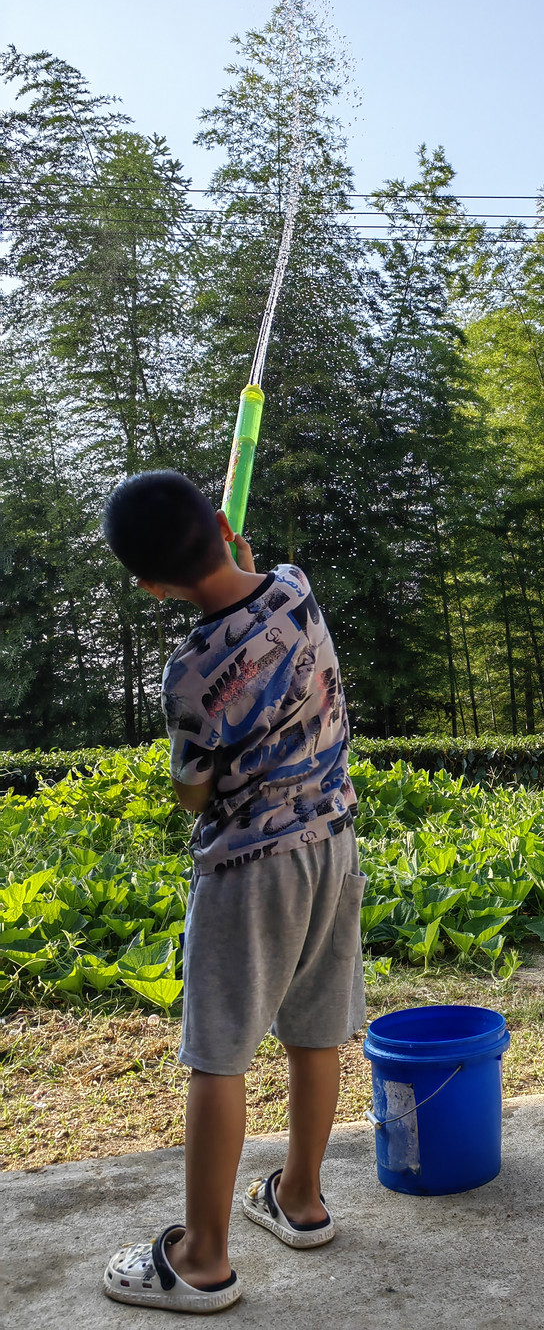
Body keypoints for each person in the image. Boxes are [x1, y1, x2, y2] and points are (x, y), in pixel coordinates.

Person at [100, 470, 364, 1313]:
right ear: (223, 526)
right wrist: (242, 566)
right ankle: (302, 1200)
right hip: (332, 846)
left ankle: (203, 1259)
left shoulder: (189, 672)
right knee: (313, 1033)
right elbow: (260, 598)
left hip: (250, 867)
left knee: (217, 1056)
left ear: (151, 587)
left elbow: (194, 791)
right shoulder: (295, 587)